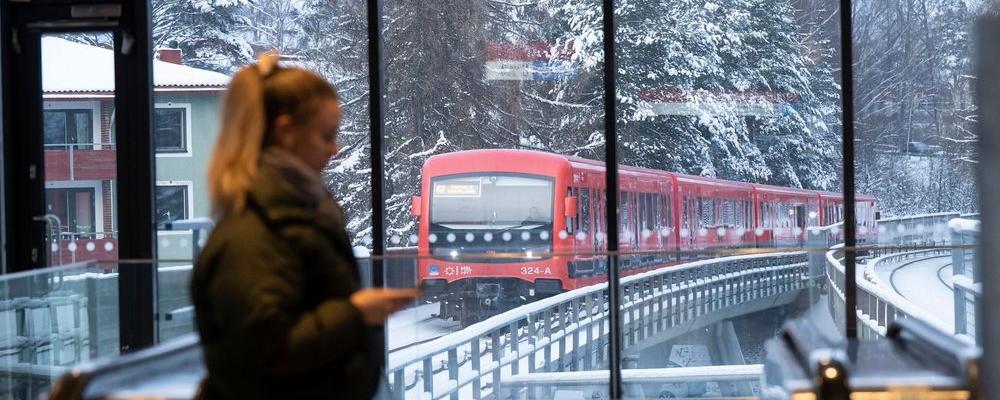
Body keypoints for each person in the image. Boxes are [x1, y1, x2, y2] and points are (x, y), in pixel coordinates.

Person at [190, 53, 417, 400]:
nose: (335, 148)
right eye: (326, 135)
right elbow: (264, 351)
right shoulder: (255, 236)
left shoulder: (287, 216)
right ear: (285, 132)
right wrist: (356, 313)